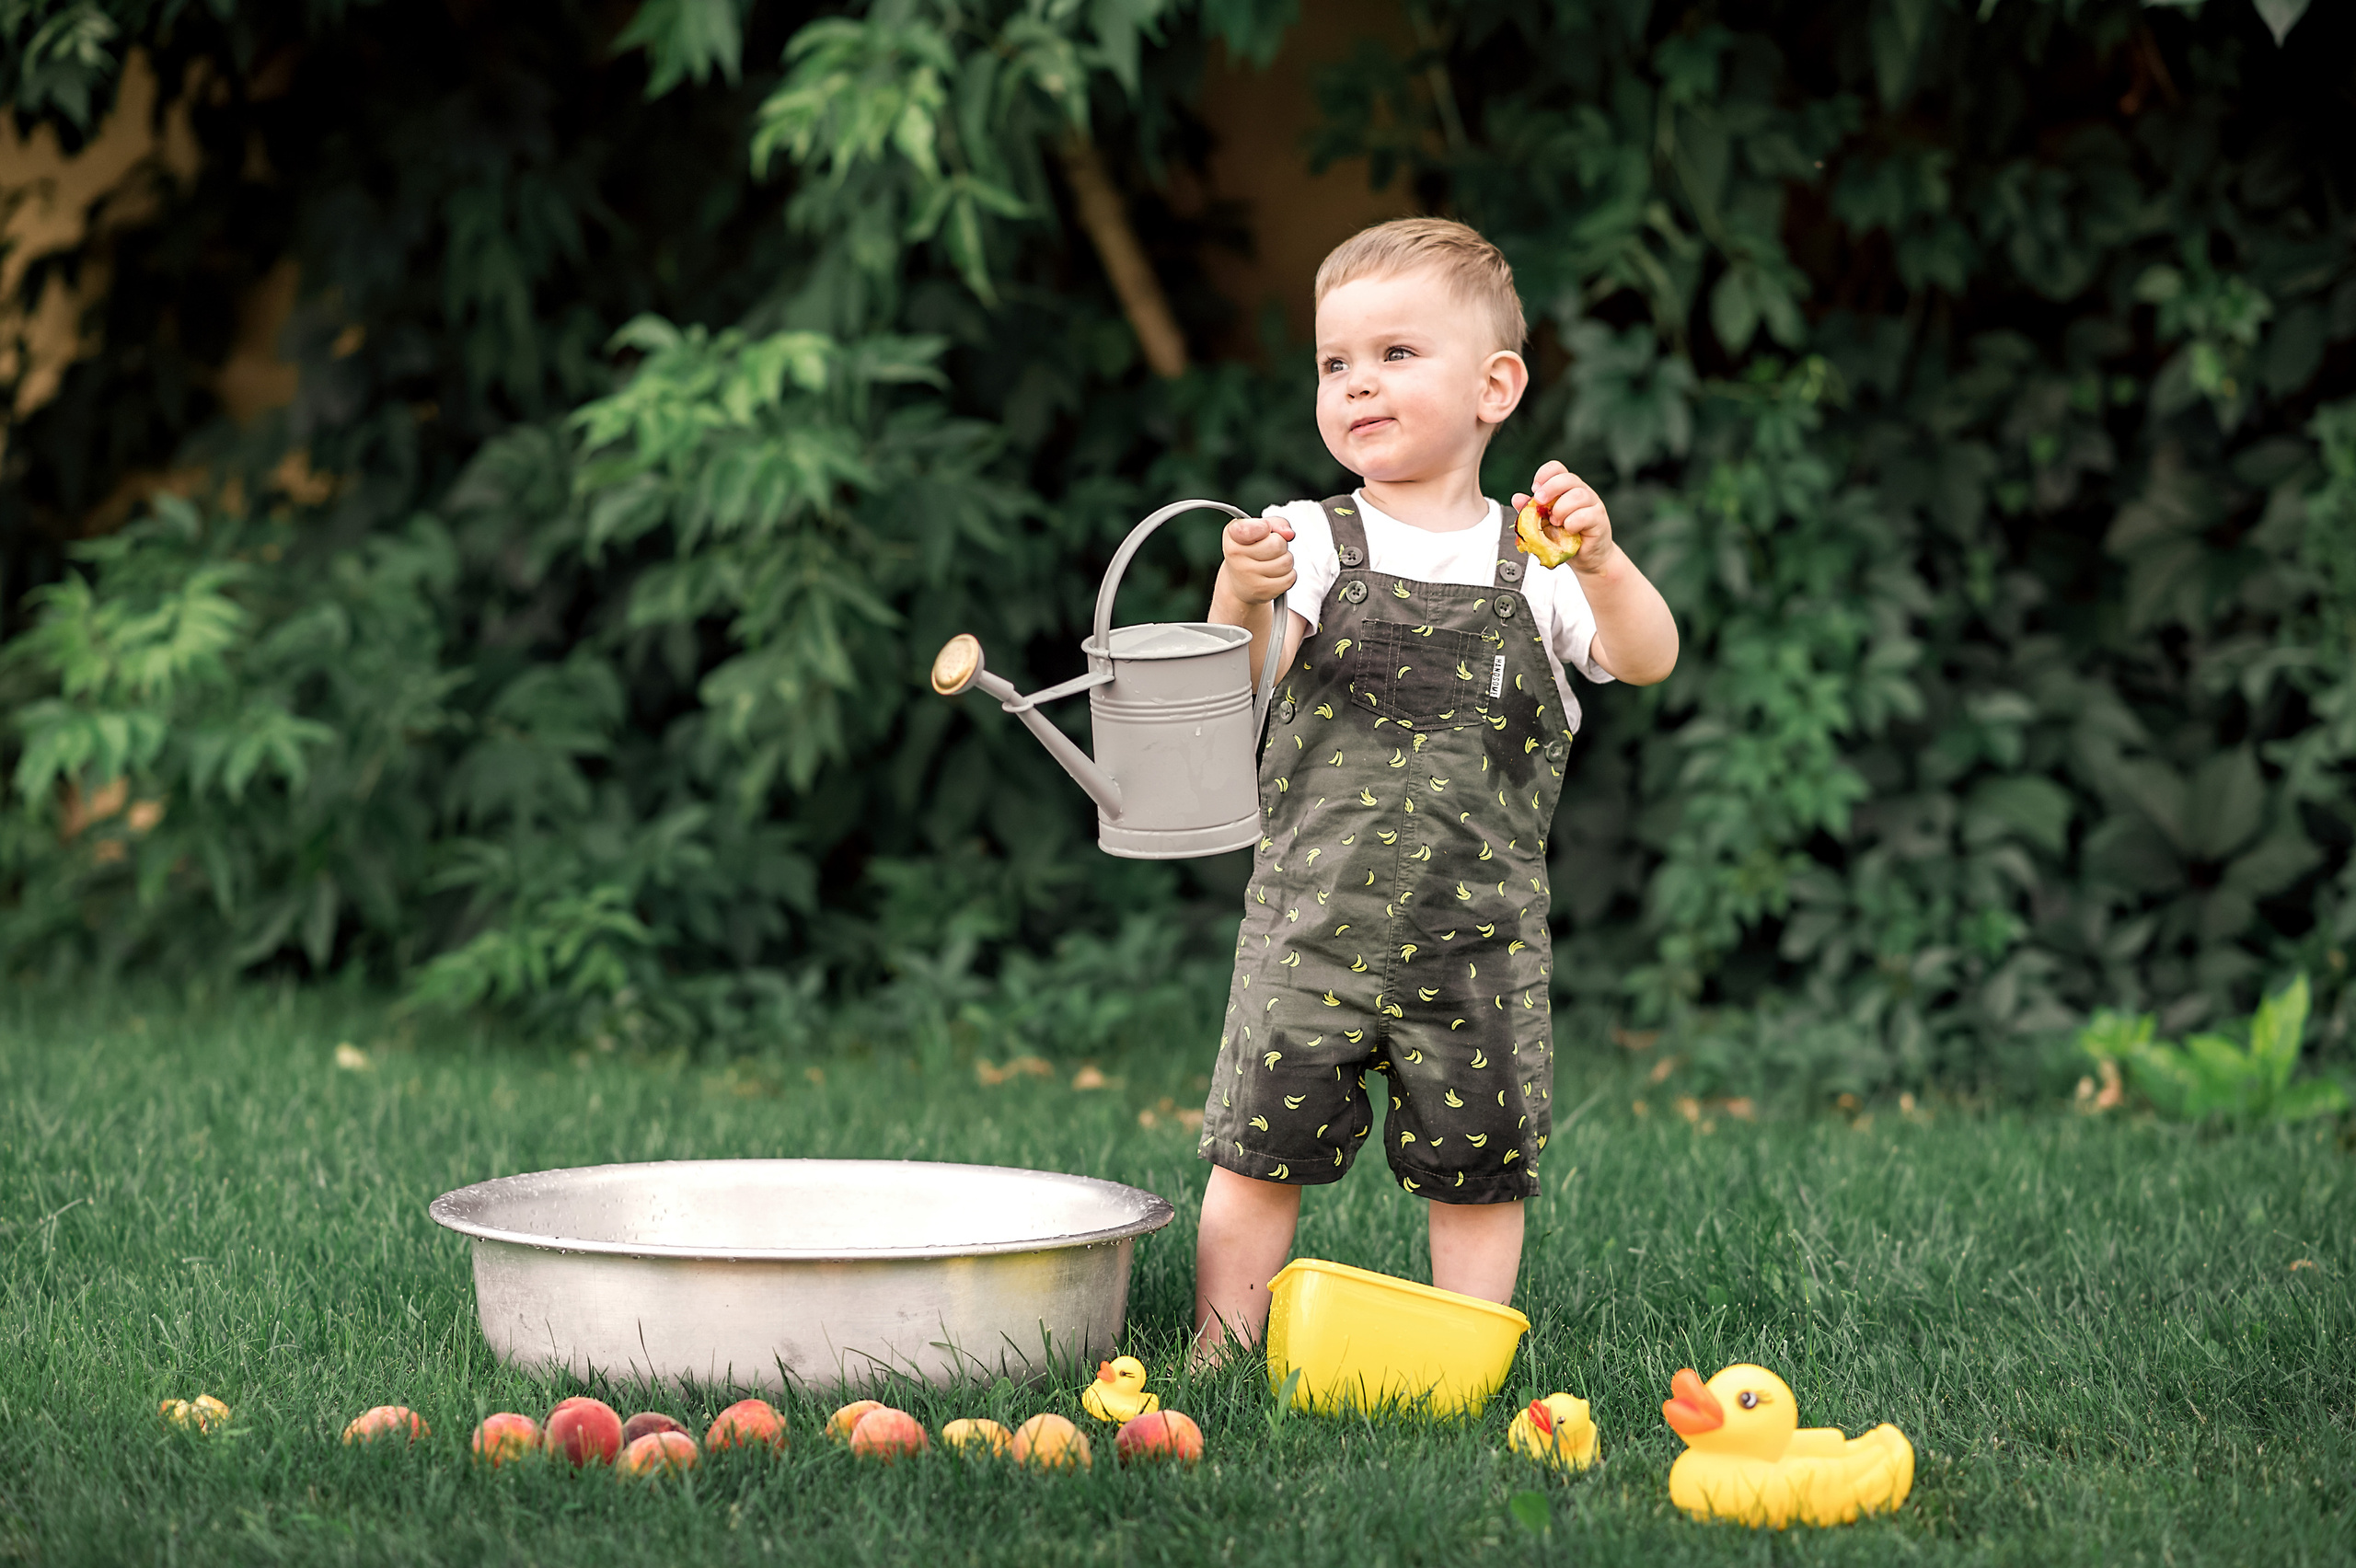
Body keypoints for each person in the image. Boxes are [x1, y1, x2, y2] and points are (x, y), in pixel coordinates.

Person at [1192, 217, 1679, 1361]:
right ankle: (1220, 1349)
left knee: (1479, 1172)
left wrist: (1603, 562)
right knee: (1258, 1153)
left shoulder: (1537, 560)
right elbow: (1235, 689)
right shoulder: (1310, 539)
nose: (1358, 382)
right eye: (1335, 362)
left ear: (1493, 387)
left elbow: (1648, 657)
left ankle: (1462, 1353)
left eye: (1396, 354)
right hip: (1310, 926)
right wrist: (1242, 593)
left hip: (1480, 944)